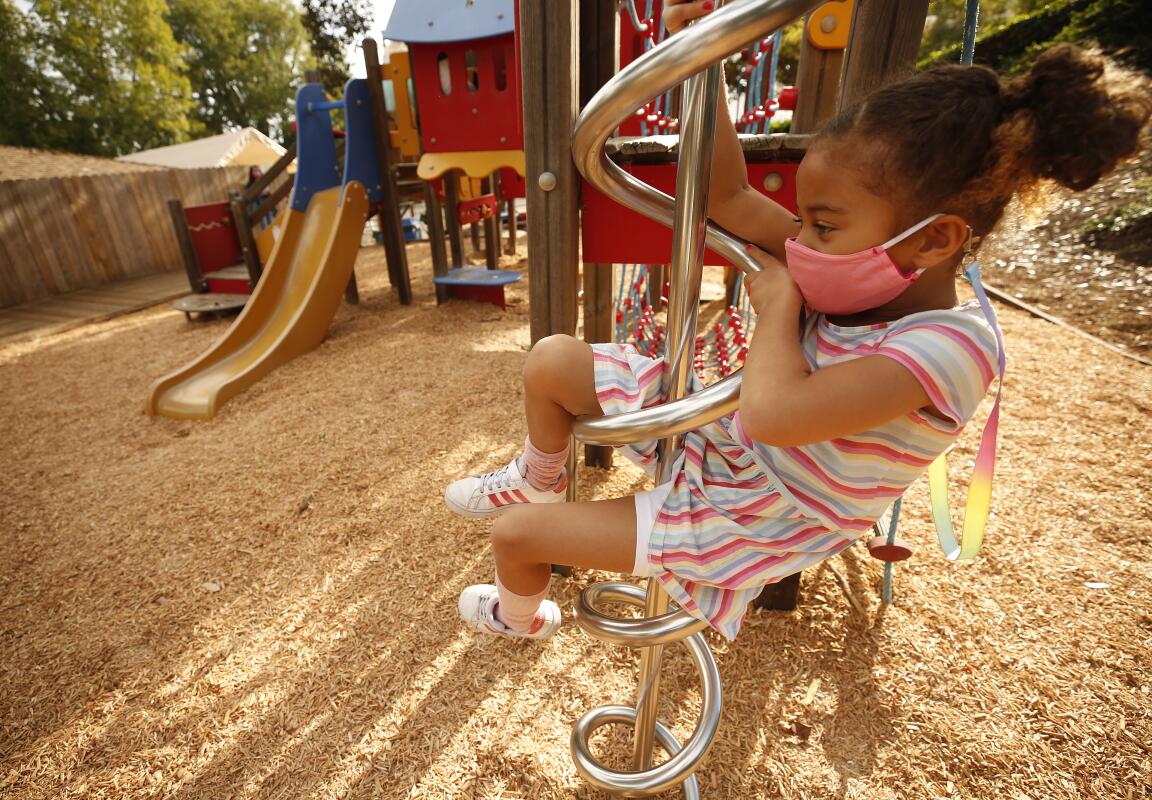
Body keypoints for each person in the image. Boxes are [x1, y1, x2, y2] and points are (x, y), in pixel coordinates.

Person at [444, 0, 1150, 641]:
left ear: (935, 239)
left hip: (756, 514)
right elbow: (726, 194)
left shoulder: (951, 349)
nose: (799, 242)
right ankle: (539, 472)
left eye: (823, 225)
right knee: (551, 360)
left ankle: (519, 617)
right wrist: (701, 58)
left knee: (516, 536)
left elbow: (777, 417)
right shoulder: (851, 266)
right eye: (805, 222)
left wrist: (780, 308)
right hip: (721, 440)